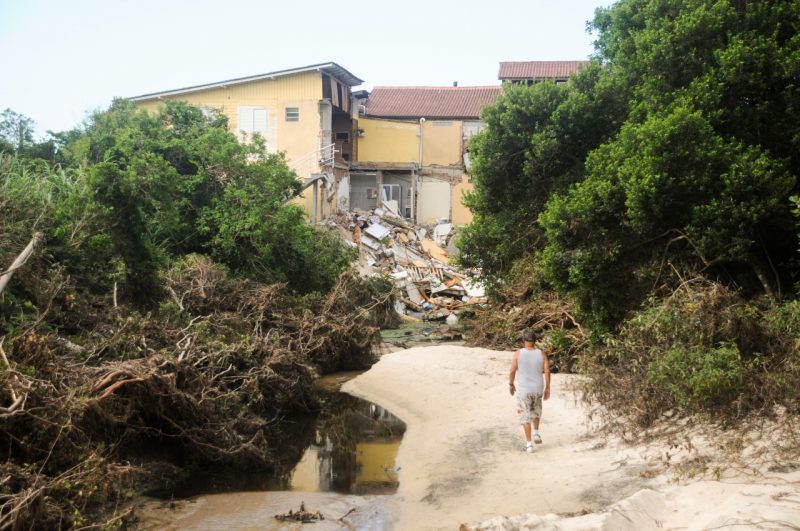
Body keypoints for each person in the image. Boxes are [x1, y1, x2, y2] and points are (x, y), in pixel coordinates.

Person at [509, 330, 551, 453]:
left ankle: (529, 445)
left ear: (523, 341)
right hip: (537, 389)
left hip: (524, 390)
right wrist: (548, 387)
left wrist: (511, 384)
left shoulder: (518, 354)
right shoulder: (542, 354)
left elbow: (512, 371)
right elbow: (547, 371)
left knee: (525, 416)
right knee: (536, 411)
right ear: (535, 341)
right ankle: (536, 433)